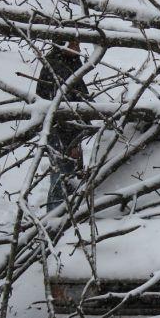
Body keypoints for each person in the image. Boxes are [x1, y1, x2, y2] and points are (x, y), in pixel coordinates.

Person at [36, 40, 91, 212]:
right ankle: (55, 217)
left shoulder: (71, 62)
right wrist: (72, 141)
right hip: (60, 130)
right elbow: (62, 107)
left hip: (72, 128)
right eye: (75, 45)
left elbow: (80, 94)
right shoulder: (56, 67)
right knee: (61, 175)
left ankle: (69, 213)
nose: (79, 49)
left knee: (71, 174)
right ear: (63, 44)